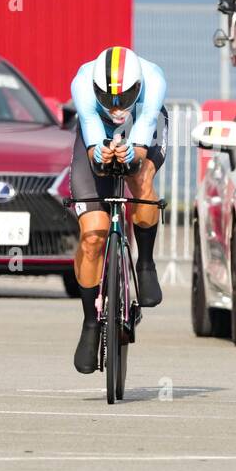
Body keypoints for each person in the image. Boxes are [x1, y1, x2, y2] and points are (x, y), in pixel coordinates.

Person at [68, 46, 168, 374]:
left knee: (140, 180)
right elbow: (92, 138)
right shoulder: (82, 83)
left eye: (124, 98)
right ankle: (89, 322)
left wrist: (131, 155)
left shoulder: (153, 79)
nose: (115, 107)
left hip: (144, 127)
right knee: (93, 235)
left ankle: (146, 262)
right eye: (107, 98)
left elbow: (145, 130)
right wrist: (100, 156)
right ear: (95, 88)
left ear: (137, 87)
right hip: (95, 131)